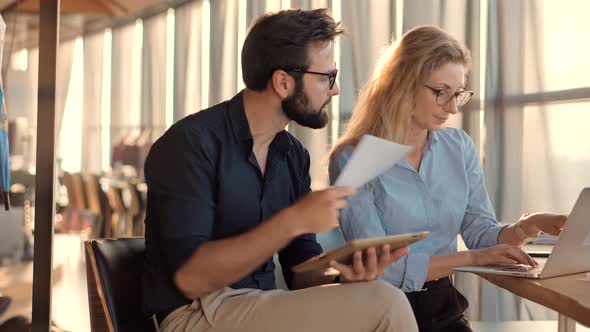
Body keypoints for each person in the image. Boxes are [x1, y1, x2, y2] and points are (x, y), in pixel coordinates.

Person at [142, 9, 418, 332]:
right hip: (195, 314)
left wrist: (341, 272)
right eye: (327, 77)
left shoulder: (292, 156)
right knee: (386, 305)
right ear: (283, 82)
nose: (336, 89)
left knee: (377, 295)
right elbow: (191, 279)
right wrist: (293, 220)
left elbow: (299, 272)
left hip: (259, 304)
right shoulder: (191, 145)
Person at [328, 25, 566, 332]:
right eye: (441, 93)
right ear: (402, 83)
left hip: (443, 308)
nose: (452, 108)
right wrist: (475, 258)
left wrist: (527, 226)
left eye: (458, 95)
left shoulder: (458, 147)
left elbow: (480, 233)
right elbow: (382, 270)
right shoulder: (352, 159)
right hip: (380, 312)